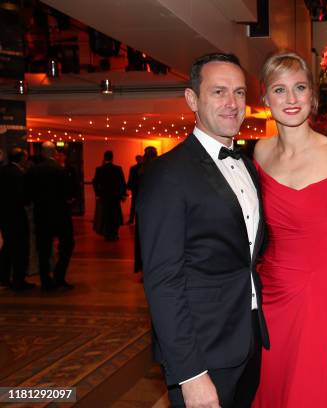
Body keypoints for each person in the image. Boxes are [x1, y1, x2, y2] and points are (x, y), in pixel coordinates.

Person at [137, 53, 269, 408]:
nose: (232, 103)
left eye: (240, 93)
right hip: (202, 351)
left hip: (249, 338)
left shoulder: (248, 167)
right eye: (219, 92)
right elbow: (162, 280)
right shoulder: (168, 174)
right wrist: (190, 373)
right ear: (192, 99)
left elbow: (251, 251)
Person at [252, 51, 327, 408]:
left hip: (322, 297)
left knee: (311, 394)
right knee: (271, 391)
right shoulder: (260, 153)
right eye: (279, 89)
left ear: (313, 96)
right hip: (271, 295)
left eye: (300, 87)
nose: (291, 99)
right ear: (265, 98)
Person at [27, 142, 75, 291]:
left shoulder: (33, 171)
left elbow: (28, 195)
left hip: (41, 215)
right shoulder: (60, 170)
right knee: (67, 245)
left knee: (43, 249)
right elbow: (68, 194)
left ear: (42, 153)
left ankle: (45, 281)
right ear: (54, 152)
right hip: (61, 216)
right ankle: (59, 277)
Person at [0, 147, 35, 291]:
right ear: (21, 158)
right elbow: (24, 197)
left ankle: (3, 278)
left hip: (4, 216)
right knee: (20, 248)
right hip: (16, 216)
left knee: (7, 247)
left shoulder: (2, 171)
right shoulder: (19, 174)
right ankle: (18, 280)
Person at [92, 150, 127, 241]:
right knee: (115, 215)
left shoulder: (99, 169)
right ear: (112, 158)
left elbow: (95, 183)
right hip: (115, 196)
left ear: (104, 158)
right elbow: (122, 182)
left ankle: (107, 234)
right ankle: (114, 234)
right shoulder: (117, 169)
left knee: (106, 215)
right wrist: (123, 194)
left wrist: (98, 194)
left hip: (104, 196)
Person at [126, 155, 143, 224]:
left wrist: (128, 187)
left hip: (135, 189)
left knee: (133, 205)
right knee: (140, 205)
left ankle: (131, 219)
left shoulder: (133, 168)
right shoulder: (145, 168)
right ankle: (139, 220)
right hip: (142, 189)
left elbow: (130, 179)